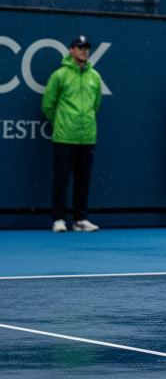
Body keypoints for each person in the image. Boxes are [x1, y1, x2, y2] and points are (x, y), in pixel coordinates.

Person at [43, 35, 103, 233]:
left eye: (86, 48)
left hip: (87, 138)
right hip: (64, 137)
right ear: (71, 51)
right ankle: (59, 219)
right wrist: (61, 123)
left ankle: (80, 219)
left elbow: (96, 105)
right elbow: (48, 104)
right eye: (80, 48)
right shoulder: (60, 75)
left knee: (83, 181)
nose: (84, 51)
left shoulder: (95, 77)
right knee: (61, 180)